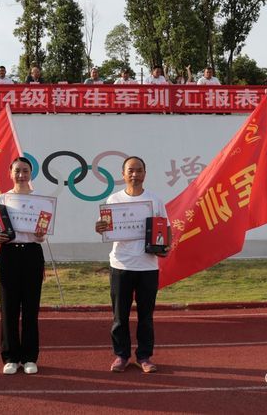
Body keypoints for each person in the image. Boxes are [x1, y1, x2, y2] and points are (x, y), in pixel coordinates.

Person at [94, 156, 167, 374]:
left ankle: (144, 356)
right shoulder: (113, 200)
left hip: (148, 266)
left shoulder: (155, 200)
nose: (135, 174)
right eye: (131, 171)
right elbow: (106, 229)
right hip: (121, 265)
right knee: (120, 316)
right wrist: (100, 228)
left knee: (146, 316)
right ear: (123, 174)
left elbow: (164, 229)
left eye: (139, 170)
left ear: (145, 173)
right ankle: (121, 356)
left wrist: (163, 246)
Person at [0, 157, 46, 375]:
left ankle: (30, 357)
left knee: (31, 309)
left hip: (32, 254)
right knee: (9, 308)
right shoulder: (1, 199)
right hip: (9, 254)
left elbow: (42, 235)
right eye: (17, 171)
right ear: (10, 173)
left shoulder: (40, 201)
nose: (21, 175)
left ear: (31, 173)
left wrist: (40, 235)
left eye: (25, 170)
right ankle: (10, 356)